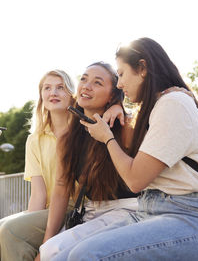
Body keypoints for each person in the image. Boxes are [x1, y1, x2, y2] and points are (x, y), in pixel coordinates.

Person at [50, 38, 198, 260]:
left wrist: (108, 139)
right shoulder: (159, 106)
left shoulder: (174, 103)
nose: (120, 84)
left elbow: (135, 180)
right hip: (150, 212)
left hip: (187, 217)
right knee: (59, 256)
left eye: (121, 74)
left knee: (85, 255)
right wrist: (115, 105)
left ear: (142, 68)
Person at [0, 69, 124, 261]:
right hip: (49, 208)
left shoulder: (83, 129)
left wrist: (118, 105)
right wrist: (29, 222)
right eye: (47, 88)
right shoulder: (35, 139)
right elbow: (38, 193)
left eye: (60, 88)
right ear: (41, 96)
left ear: (72, 94)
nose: (53, 93)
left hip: (77, 206)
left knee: (11, 231)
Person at [38, 62, 138, 261]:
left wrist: (119, 107)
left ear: (112, 94)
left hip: (128, 210)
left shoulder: (125, 126)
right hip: (91, 211)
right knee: (50, 250)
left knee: (60, 252)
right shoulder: (69, 137)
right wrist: (45, 243)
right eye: (83, 79)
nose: (86, 86)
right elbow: (60, 188)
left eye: (97, 83)